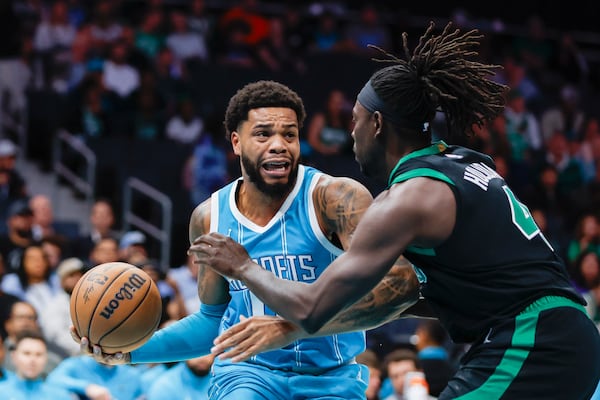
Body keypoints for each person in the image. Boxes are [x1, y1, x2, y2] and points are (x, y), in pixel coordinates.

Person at [195, 22, 600, 399]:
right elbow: (399, 299)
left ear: (376, 124)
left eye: (355, 122)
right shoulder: (463, 163)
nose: (351, 134)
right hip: (562, 338)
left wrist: (243, 265)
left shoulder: (406, 200)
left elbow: (312, 307)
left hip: (533, 342)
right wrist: (289, 330)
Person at [74, 80, 420, 399]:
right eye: (263, 134)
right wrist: (128, 349)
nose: (279, 146)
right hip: (247, 374)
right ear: (236, 142)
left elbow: (399, 286)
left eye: (289, 135)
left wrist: (293, 326)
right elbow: (213, 322)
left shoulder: (334, 199)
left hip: (332, 377)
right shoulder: (210, 218)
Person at [0, 330, 74, 399]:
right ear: (14, 356)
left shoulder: (61, 395)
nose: (32, 360)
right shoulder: (2, 392)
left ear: (46, 358)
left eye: (38, 354)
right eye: (27, 353)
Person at [146, 354, 214, 400]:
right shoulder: (165, 386)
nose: (202, 357)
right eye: (197, 352)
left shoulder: (220, 381)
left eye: (207, 351)